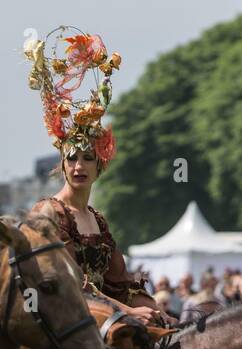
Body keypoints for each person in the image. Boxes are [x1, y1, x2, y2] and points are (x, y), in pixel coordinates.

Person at [24, 29, 161, 324]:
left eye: (87, 159)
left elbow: (119, 284)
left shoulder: (97, 219)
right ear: (62, 165)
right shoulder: (48, 213)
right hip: (65, 324)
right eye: (71, 159)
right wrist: (126, 312)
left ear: (100, 166)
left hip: (103, 317)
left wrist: (162, 313)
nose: (78, 167)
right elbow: (70, 283)